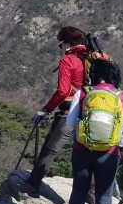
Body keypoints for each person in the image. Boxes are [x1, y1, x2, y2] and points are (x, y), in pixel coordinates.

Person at [26, 26, 88, 191]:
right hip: (91, 113)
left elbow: (63, 91)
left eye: (61, 44)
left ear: (67, 43)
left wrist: (45, 109)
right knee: (88, 152)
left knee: (50, 149)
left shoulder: (69, 60)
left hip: (69, 113)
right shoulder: (91, 58)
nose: (61, 47)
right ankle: (91, 193)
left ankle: (33, 185)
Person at [65, 59, 123, 204]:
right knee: (104, 195)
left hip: (82, 150)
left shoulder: (83, 93)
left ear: (92, 75)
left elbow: (69, 123)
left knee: (79, 191)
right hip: (110, 153)